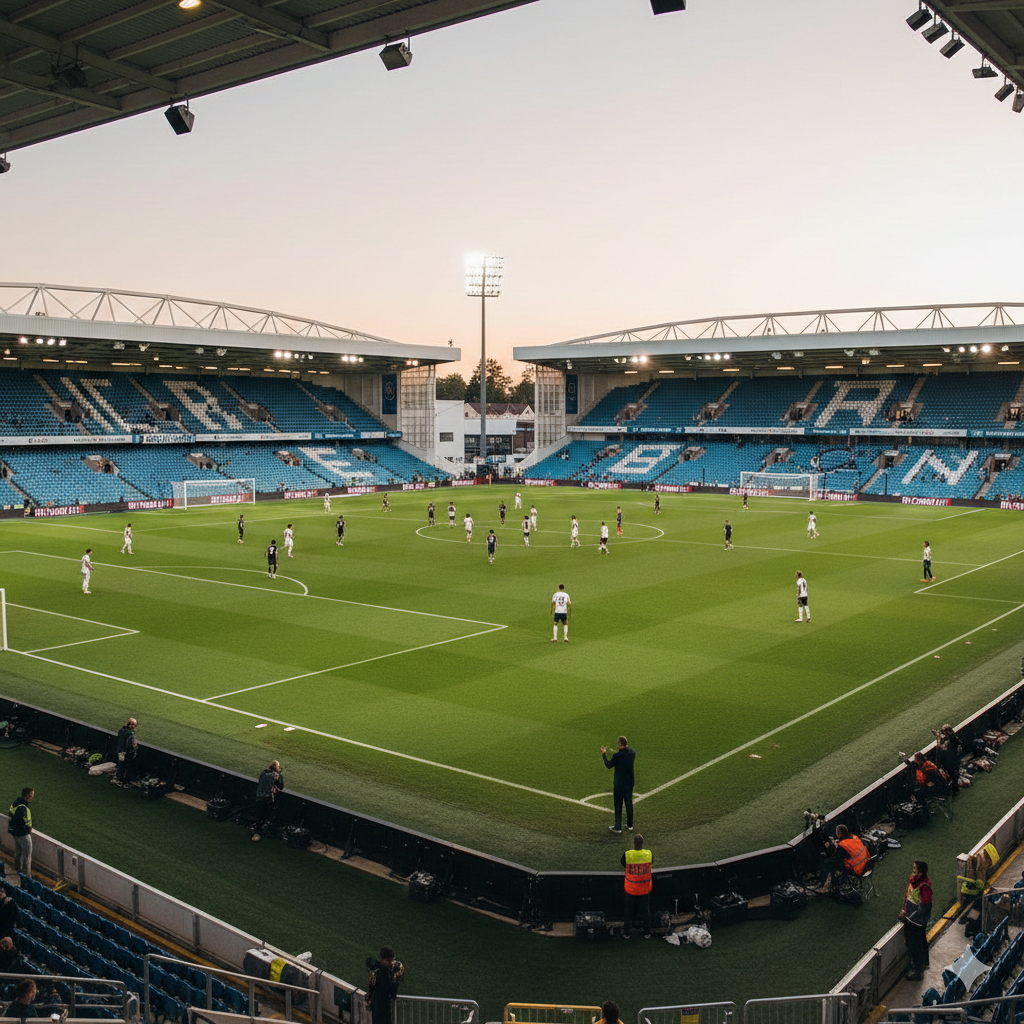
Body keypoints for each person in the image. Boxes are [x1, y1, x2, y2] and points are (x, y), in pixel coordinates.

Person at [900, 861, 932, 980]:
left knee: (916, 944)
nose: (913, 870)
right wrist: (904, 910)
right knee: (913, 943)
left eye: (915, 868)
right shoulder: (912, 880)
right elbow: (907, 896)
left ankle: (918, 970)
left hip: (917, 921)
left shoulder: (924, 886)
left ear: (920, 871)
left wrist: (911, 916)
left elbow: (926, 906)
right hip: (910, 918)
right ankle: (919, 965)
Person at [621, 833, 653, 939]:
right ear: (642, 844)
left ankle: (626, 932)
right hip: (645, 889)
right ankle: (647, 932)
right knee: (645, 911)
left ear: (634, 843)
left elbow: (623, 863)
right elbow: (652, 862)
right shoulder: (648, 854)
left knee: (628, 912)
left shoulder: (627, 854)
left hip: (631, 889)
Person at [601, 737, 635, 834]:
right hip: (629, 783)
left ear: (620, 743)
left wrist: (604, 754)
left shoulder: (617, 756)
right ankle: (630, 825)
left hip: (619, 785)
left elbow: (608, 765)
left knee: (618, 805)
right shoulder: (632, 752)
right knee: (629, 804)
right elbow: (626, 753)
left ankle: (618, 827)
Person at [819, 824, 869, 891]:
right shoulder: (854, 837)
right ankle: (838, 881)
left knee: (828, 863)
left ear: (838, 834)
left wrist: (829, 848)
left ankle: (830, 884)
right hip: (867, 865)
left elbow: (835, 857)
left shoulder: (843, 846)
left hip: (856, 869)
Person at [367, 946, 404, 1024]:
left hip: (377, 1007)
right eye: (391, 960)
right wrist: (397, 976)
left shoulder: (377, 969)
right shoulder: (384, 974)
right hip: (383, 1009)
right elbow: (393, 992)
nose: (392, 962)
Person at [252, 760, 284, 842]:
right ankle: (259, 832)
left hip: (259, 796)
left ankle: (256, 829)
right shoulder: (276, 775)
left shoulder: (264, 773)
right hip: (268, 798)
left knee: (259, 814)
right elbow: (281, 786)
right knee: (265, 815)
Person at [8, 787, 34, 879]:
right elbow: (17, 819)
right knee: (27, 855)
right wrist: (26, 828)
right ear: (28, 795)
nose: (33, 795)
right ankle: (27, 876)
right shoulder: (23, 807)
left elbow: (10, 814)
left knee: (18, 851)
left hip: (15, 833)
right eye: (31, 793)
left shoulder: (17, 801)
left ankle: (17, 869)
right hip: (22, 833)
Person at [932, 725, 963, 793]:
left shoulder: (951, 739)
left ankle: (955, 789)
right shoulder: (950, 737)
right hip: (952, 759)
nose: (943, 732)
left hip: (952, 760)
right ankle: (954, 787)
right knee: (952, 774)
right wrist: (937, 736)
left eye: (944, 731)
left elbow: (944, 748)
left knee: (953, 774)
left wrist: (938, 742)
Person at [115, 718, 138, 787]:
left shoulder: (124, 730)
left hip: (124, 751)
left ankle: (119, 779)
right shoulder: (128, 732)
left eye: (134, 725)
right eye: (131, 724)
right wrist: (123, 751)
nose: (133, 726)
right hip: (126, 752)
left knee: (122, 766)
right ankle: (122, 781)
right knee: (124, 766)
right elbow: (126, 743)